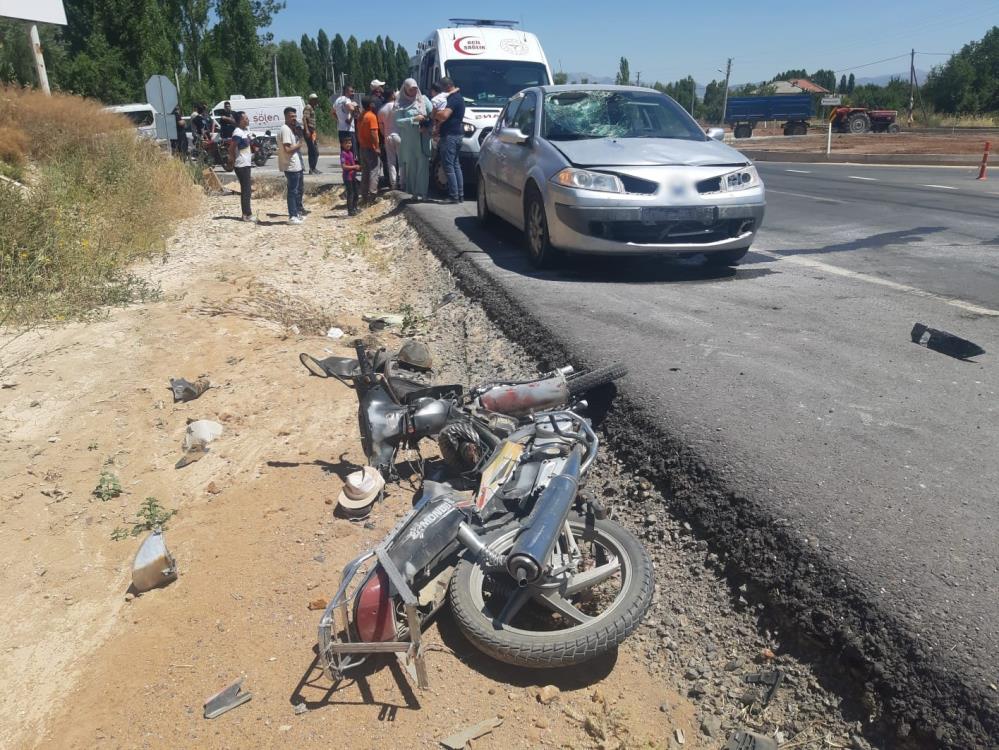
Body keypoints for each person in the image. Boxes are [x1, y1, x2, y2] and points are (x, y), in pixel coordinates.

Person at [394, 78, 432, 200]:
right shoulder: (400, 103)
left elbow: (432, 115)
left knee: (423, 166)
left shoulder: (423, 99)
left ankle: (423, 193)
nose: (414, 92)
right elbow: (398, 121)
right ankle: (415, 193)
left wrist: (427, 125)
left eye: (415, 89)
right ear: (405, 89)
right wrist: (413, 119)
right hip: (409, 140)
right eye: (411, 89)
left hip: (423, 138)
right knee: (412, 167)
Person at [435, 77, 466, 203]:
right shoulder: (458, 97)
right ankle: (460, 194)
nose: (441, 91)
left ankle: (454, 195)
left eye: (442, 88)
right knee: (455, 165)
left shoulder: (454, 99)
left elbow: (444, 115)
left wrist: (434, 113)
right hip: (457, 134)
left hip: (450, 135)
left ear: (447, 86)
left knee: (448, 166)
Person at [279, 106, 306, 224]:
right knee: (292, 191)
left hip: (296, 165)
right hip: (291, 166)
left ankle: (297, 213)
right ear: (286, 117)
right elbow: (288, 149)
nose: (294, 118)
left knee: (297, 191)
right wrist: (299, 144)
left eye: (295, 116)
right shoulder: (285, 129)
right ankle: (292, 216)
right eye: (291, 116)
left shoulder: (291, 129)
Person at [229, 112, 254, 222]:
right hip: (241, 164)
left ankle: (247, 213)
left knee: (247, 189)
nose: (248, 120)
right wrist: (233, 160)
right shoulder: (237, 132)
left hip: (246, 163)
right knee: (246, 190)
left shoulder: (244, 131)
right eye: (246, 118)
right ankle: (246, 214)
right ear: (240, 121)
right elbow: (231, 148)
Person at [357, 96, 381, 205]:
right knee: (374, 171)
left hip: (362, 147)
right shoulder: (371, 116)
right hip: (370, 147)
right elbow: (373, 133)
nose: (374, 104)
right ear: (370, 104)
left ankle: (364, 196)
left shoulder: (361, 116)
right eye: (373, 102)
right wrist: (377, 147)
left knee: (365, 172)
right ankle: (373, 195)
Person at [377, 88, 400, 189]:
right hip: (399, 135)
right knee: (401, 160)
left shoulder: (381, 110)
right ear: (392, 95)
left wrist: (385, 134)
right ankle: (402, 182)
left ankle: (393, 183)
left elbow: (381, 127)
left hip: (388, 136)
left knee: (391, 161)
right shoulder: (398, 106)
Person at [334, 84, 358, 156]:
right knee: (352, 150)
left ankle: (344, 162)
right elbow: (352, 109)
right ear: (346, 92)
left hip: (341, 129)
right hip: (349, 129)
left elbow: (332, 112)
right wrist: (350, 119)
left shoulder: (337, 100)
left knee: (344, 150)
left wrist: (338, 119)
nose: (353, 93)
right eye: (351, 91)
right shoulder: (347, 100)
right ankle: (352, 162)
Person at [339, 135, 360, 216]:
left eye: (350, 143)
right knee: (350, 194)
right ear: (342, 145)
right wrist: (354, 167)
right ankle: (350, 210)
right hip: (347, 177)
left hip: (353, 177)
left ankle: (355, 207)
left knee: (356, 193)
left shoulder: (351, 153)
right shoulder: (343, 154)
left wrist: (357, 167)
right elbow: (344, 166)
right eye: (346, 143)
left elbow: (353, 164)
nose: (349, 145)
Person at [303, 93, 321, 175]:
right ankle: (311, 169)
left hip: (312, 131)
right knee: (312, 150)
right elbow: (304, 119)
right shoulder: (308, 107)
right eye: (315, 100)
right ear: (311, 100)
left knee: (315, 150)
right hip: (309, 130)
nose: (316, 101)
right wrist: (307, 130)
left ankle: (313, 168)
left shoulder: (313, 108)